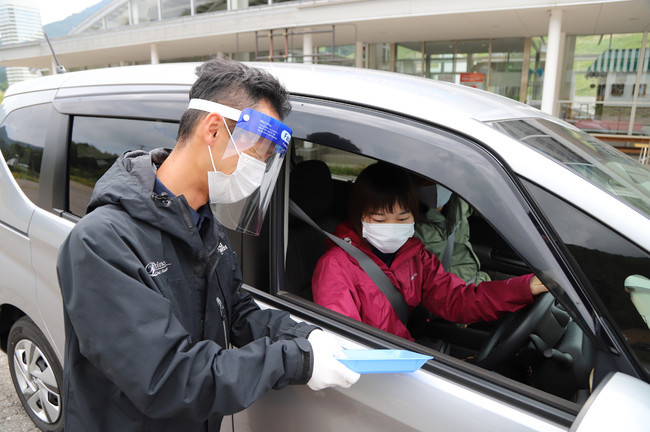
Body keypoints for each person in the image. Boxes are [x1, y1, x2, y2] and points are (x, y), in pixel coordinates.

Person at [56, 57, 359, 432]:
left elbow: (237, 311)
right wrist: (295, 359)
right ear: (213, 130)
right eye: (257, 154)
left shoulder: (203, 225)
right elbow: (167, 378)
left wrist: (302, 334)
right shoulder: (102, 241)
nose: (258, 171)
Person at [312, 163, 547, 341]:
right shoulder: (336, 266)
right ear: (359, 217)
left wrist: (524, 288)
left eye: (402, 218)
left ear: (415, 217)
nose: (392, 227)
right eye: (380, 219)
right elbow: (342, 340)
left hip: (405, 357)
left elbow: (459, 300)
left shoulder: (416, 257)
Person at [414, 181, 491, 284]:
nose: (434, 186)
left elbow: (485, 199)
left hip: (479, 279)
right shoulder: (408, 227)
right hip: (456, 293)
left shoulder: (457, 203)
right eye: (424, 179)